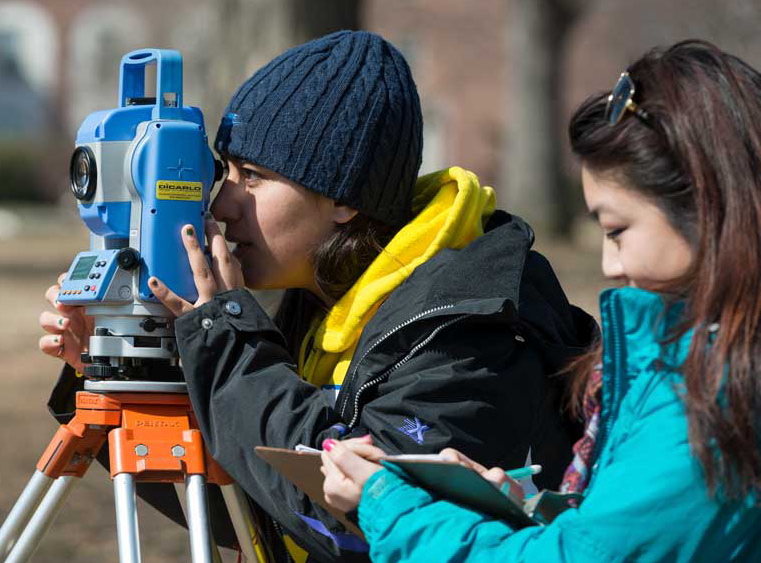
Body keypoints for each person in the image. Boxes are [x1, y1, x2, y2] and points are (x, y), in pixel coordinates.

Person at [40, 31, 594, 562]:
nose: (224, 203)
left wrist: (229, 346)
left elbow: (341, 524)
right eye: (224, 171)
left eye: (252, 175)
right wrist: (123, 370)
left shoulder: (466, 334)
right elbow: (254, 501)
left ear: (344, 199)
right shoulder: (328, 296)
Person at [320, 39, 761, 562]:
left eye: (617, 230)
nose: (609, 265)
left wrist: (390, 506)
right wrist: (518, 506)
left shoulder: (712, 404)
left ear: (707, 209)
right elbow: (623, 530)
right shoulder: (698, 372)